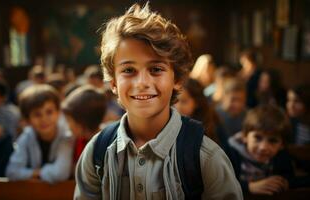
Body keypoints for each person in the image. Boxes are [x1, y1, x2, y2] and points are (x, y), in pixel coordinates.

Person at [73, 3, 242, 199]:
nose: (142, 82)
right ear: (113, 83)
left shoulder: (205, 157)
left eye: (155, 69)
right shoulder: (97, 153)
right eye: (128, 70)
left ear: (177, 79)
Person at [6, 84, 73, 183]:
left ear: (58, 112)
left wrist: (32, 174)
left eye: (49, 112)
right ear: (28, 120)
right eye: (37, 114)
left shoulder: (66, 136)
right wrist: (38, 173)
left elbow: (61, 173)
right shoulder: (27, 136)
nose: (44, 119)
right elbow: (11, 171)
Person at [228, 105, 294, 195]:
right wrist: (249, 187)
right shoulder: (231, 153)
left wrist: (286, 182)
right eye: (258, 138)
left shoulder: (282, 156)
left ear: (282, 145)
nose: (263, 147)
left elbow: (290, 177)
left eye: (273, 140)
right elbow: (223, 185)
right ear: (245, 136)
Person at [62, 85, 107, 177]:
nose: (68, 126)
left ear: (81, 123)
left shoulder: (106, 145)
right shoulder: (76, 140)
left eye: (69, 121)